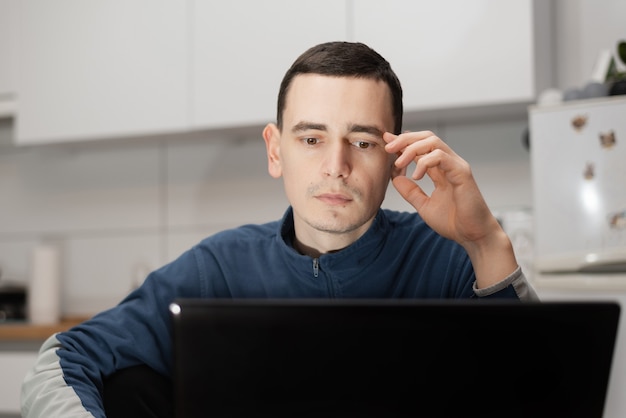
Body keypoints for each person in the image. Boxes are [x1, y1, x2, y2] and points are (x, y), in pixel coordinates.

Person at [21, 41, 538, 418]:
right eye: (311, 139)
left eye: (361, 142)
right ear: (276, 150)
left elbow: (542, 390)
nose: (336, 165)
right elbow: (65, 359)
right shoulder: (217, 269)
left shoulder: (448, 259)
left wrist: (485, 242)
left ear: (394, 157)